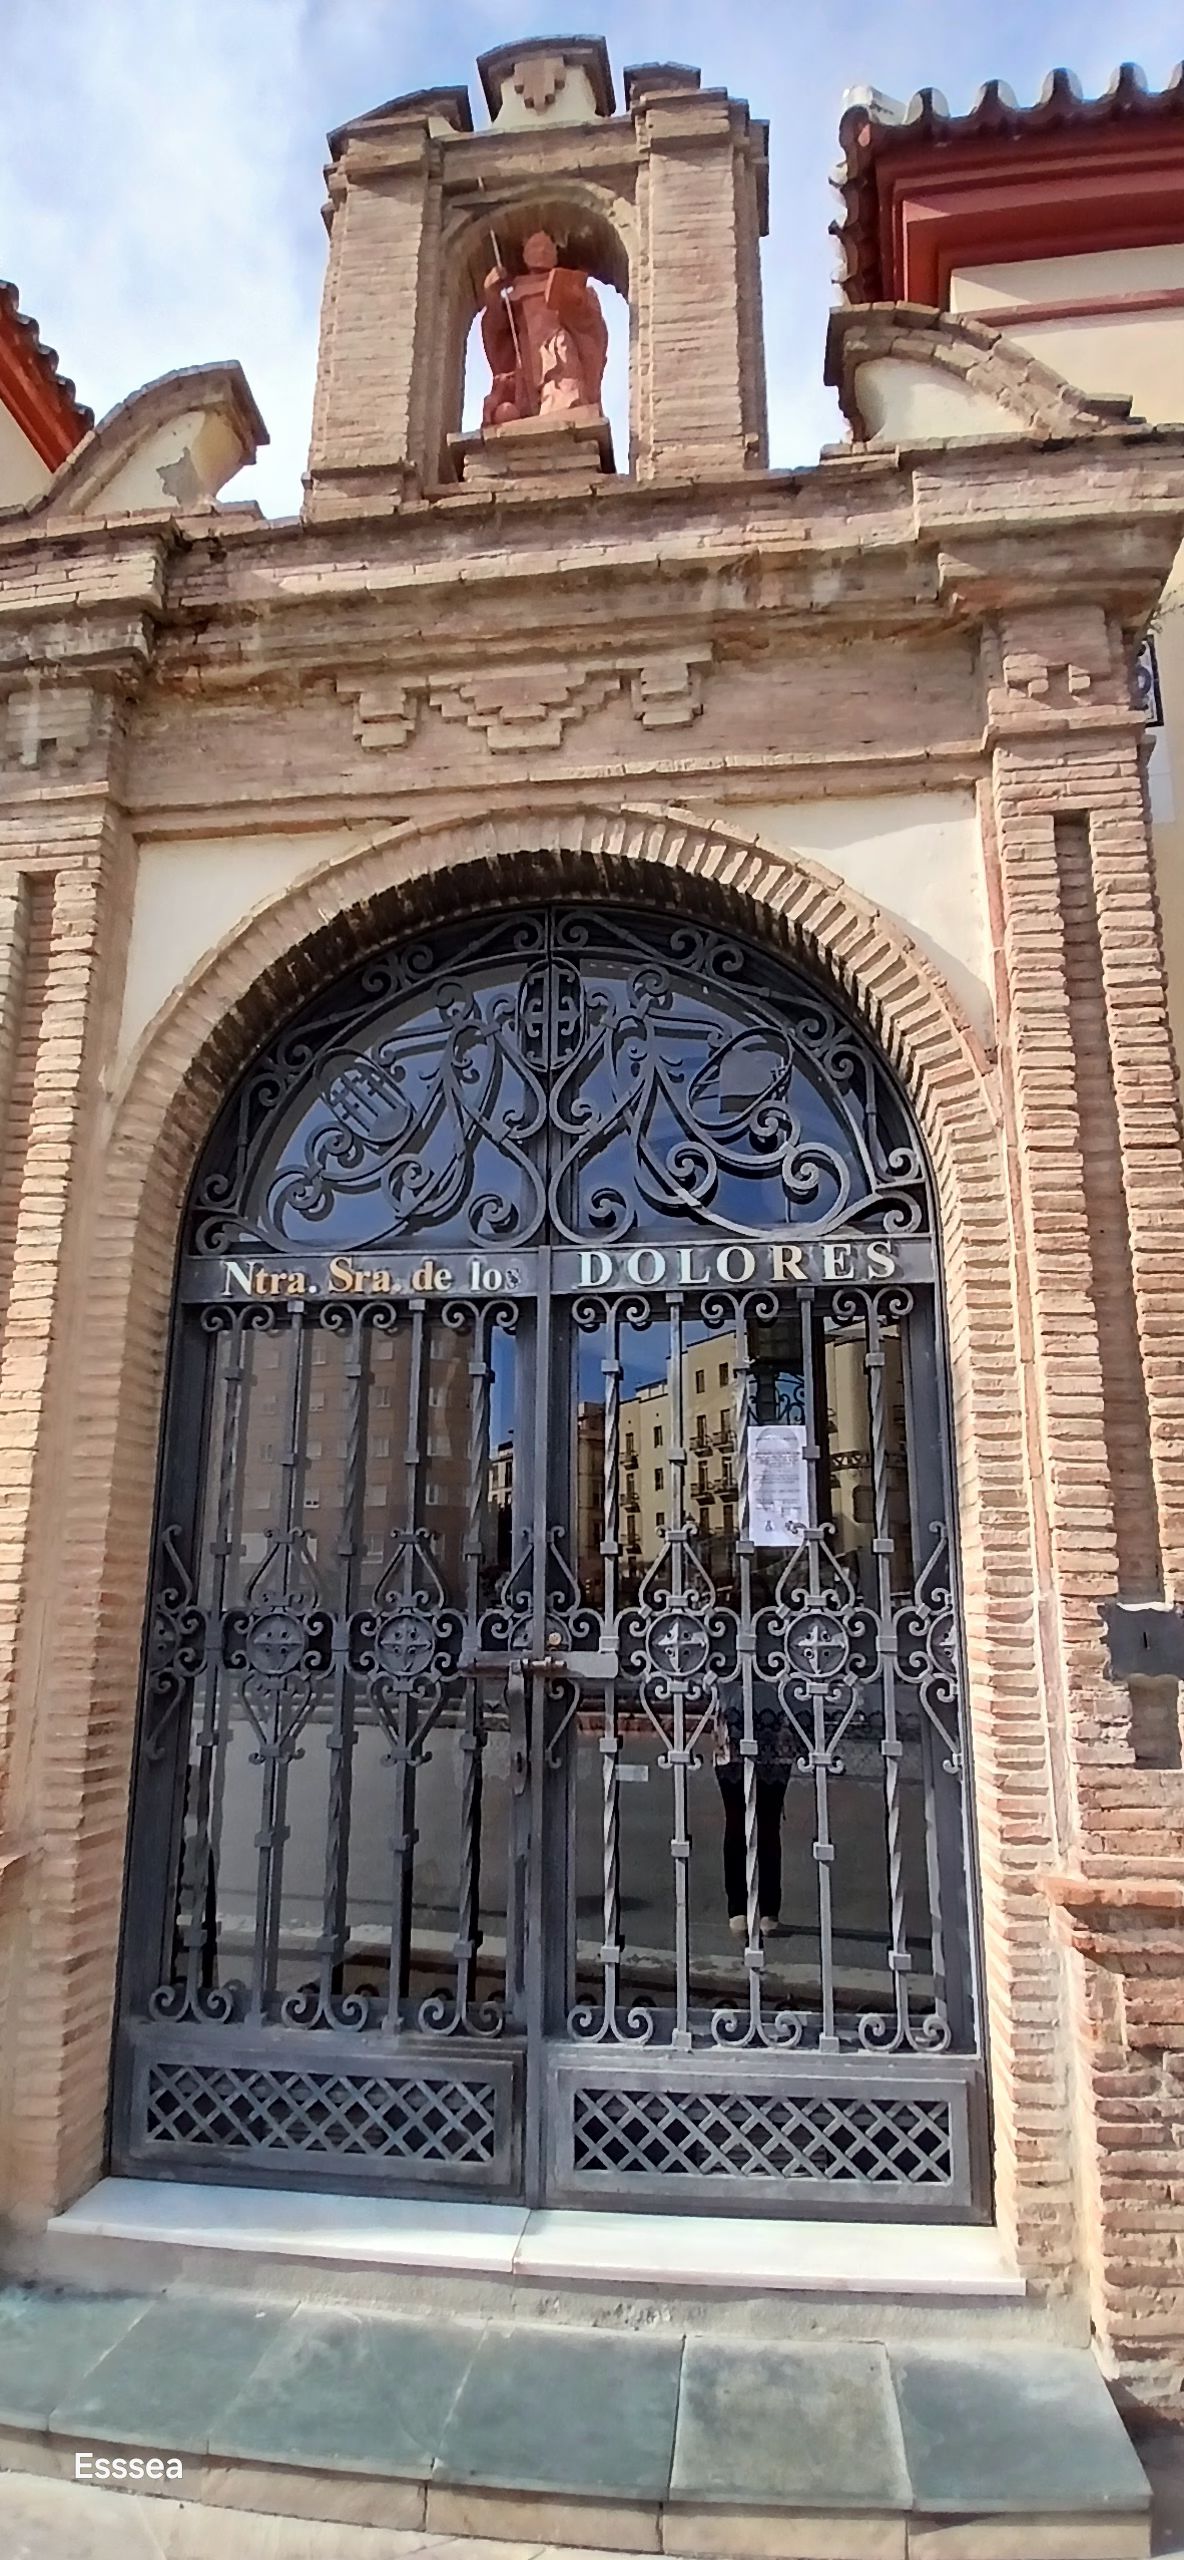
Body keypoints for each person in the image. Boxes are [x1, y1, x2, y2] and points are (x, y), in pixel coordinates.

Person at [481, 231, 608, 428]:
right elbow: (496, 329)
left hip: (558, 348)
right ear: (524, 255)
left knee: (566, 399)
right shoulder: (515, 294)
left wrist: (577, 302)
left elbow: (591, 325)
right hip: (527, 356)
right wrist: (492, 295)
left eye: (547, 248)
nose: (541, 252)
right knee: (520, 408)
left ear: (556, 255)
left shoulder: (568, 283)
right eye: (535, 247)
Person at [714, 1692, 793, 1938]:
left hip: (775, 1724)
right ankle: (738, 1907)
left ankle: (768, 1908)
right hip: (735, 1720)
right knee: (737, 1819)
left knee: (768, 1821)